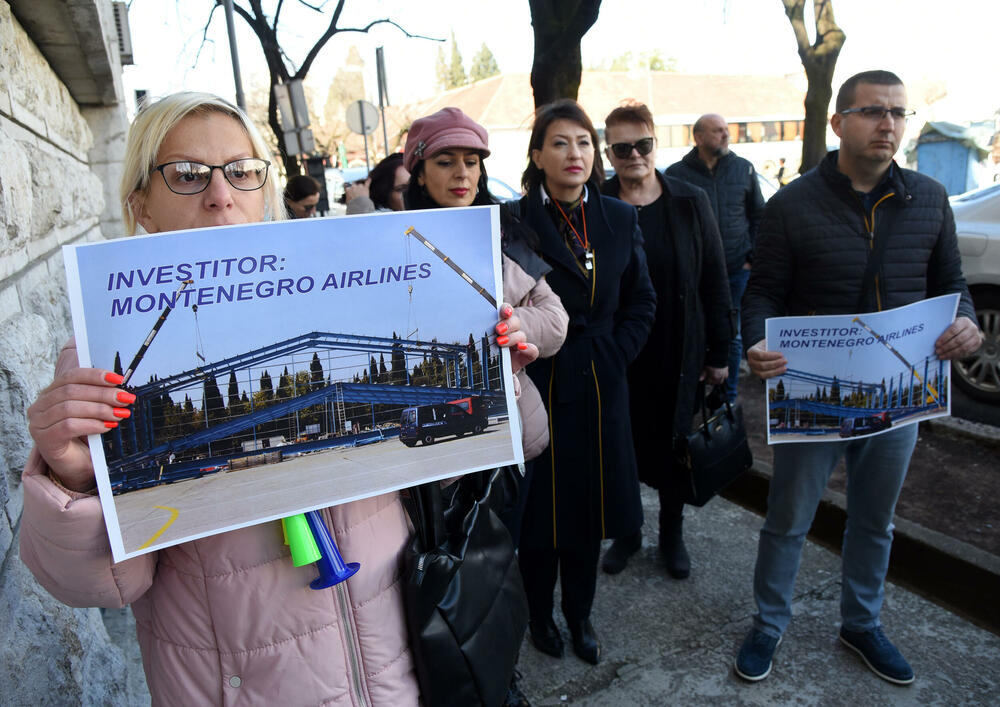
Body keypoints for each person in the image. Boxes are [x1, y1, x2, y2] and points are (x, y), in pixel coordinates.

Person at [19, 92, 538, 705]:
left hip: (396, 668)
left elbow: (499, 455)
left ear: (263, 190)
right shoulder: (103, 364)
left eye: (241, 172)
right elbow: (106, 584)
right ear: (141, 205)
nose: (221, 195)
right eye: (186, 175)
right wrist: (72, 480)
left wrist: (500, 375)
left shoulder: (350, 293)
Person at [735, 70, 984, 685]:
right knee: (789, 517)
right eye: (874, 111)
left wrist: (969, 326)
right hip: (813, 396)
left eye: (900, 113)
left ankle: (862, 623)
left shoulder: (928, 199)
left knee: (875, 520)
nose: (889, 124)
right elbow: (761, 291)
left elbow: (952, 286)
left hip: (898, 403)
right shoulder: (791, 205)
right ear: (838, 121)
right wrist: (756, 341)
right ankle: (769, 623)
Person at [401, 106, 570, 707]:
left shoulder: (506, 236)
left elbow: (556, 321)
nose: (462, 173)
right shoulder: (385, 245)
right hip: (431, 449)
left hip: (505, 441)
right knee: (439, 569)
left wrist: (519, 324)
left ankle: (500, 669)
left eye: (471, 161)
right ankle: (444, 673)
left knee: (500, 564)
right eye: (446, 161)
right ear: (420, 172)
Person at [515, 99, 656, 666]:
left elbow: (642, 300)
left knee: (588, 513)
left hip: (601, 385)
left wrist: (615, 356)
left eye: (582, 142)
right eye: (559, 143)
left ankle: (580, 614)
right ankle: (539, 614)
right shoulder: (513, 220)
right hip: (540, 383)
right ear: (536, 155)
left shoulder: (619, 217)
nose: (574, 153)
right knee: (541, 515)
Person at [599, 102, 731, 580]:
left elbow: (714, 280)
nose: (634, 154)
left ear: (655, 142)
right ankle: (628, 532)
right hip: (620, 354)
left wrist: (720, 353)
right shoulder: (597, 205)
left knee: (674, 446)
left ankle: (671, 534)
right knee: (621, 446)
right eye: (622, 147)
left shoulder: (689, 201)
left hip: (680, 348)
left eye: (643, 144)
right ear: (608, 152)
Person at [665, 113, 765, 402]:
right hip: (693, 273)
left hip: (735, 269)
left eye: (726, 130)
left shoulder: (743, 169)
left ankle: (727, 396)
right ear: (698, 137)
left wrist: (752, 257)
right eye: (718, 130)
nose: (725, 135)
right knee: (692, 331)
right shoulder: (676, 174)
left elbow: (758, 215)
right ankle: (691, 397)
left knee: (730, 334)